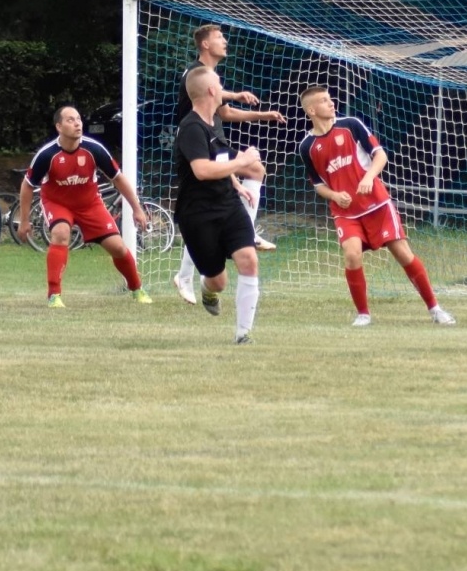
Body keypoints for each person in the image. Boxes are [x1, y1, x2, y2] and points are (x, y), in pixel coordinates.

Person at [297, 84, 456, 327]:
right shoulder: (307, 146)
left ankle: (435, 309)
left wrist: (369, 177)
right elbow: (318, 184)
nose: (331, 103)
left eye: (330, 98)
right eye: (324, 100)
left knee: (403, 253)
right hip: (346, 212)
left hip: (376, 204)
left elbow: (380, 155)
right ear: (311, 110)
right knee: (352, 255)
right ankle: (363, 314)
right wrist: (335, 196)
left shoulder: (351, 125)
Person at [171, 24, 287, 305]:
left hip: (216, 148)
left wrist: (262, 115)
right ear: (205, 45)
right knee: (203, 212)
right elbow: (212, 101)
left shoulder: (211, 77)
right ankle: (185, 275)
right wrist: (234, 95)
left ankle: (245, 229)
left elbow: (226, 112)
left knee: (253, 172)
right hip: (199, 149)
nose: (225, 41)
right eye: (219, 37)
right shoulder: (196, 75)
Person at [14, 104, 153, 308]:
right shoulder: (47, 154)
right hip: (57, 203)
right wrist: (24, 220)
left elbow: (118, 178)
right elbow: (27, 185)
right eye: (70, 120)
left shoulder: (94, 149)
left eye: (78, 119)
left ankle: (137, 288)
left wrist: (137, 208)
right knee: (61, 233)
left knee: (117, 247)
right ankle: (54, 295)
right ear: (59, 127)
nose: (77, 123)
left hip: (89, 204)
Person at [175, 66, 265, 342]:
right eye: (219, 83)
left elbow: (220, 159)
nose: (223, 88)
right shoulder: (191, 127)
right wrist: (243, 161)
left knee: (249, 260)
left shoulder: (213, 122)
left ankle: (243, 334)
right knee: (218, 281)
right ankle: (208, 288)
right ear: (212, 90)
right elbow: (202, 170)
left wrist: (237, 184)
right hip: (198, 213)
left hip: (228, 204)